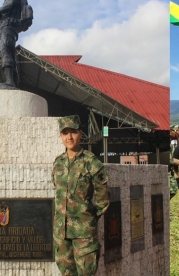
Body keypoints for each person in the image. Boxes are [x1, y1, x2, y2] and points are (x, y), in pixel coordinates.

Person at [52, 115, 110, 276]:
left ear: (81, 134)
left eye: (73, 132)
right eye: (65, 133)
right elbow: (58, 191)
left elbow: (103, 199)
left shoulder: (92, 163)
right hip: (61, 234)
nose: (69, 137)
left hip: (83, 234)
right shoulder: (58, 163)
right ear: (60, 136)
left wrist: (87, 218)